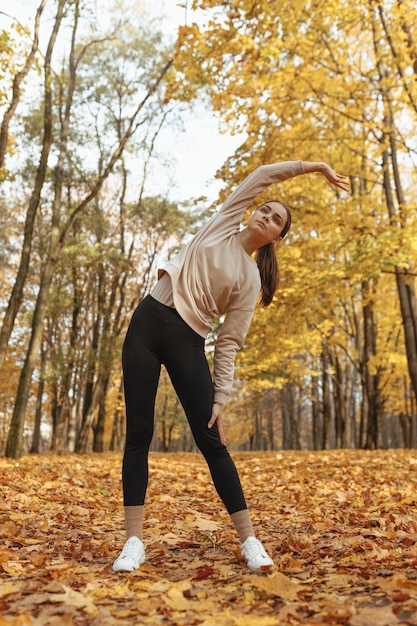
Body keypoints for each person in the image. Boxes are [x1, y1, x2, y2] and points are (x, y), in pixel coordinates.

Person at [112, 160, 350, 573]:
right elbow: (263, 175)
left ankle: (249, 540)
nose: (267, 216)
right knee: (139, 432)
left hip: (188, 341)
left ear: (277, 236)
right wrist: (317, 168)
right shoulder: (223, 221)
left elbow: (229, 342)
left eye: (276, 219)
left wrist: (221, 396)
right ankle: (133, 542)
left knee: (213, 442)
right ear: (254, 211)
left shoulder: (251, 279)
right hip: (147, 324)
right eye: (265, 210)